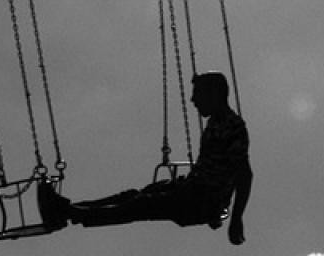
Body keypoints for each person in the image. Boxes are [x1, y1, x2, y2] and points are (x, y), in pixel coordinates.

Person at [38, 71, 252, 245]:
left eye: (198, 94)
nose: (193, 100)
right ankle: (69, 209)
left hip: (202, 200)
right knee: (133, 196)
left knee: (138, 206)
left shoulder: (232, 127)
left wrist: (236, 219)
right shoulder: (216, 122)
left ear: (214, 94)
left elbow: (244, 175)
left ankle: (70, 212)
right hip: (193, 190)